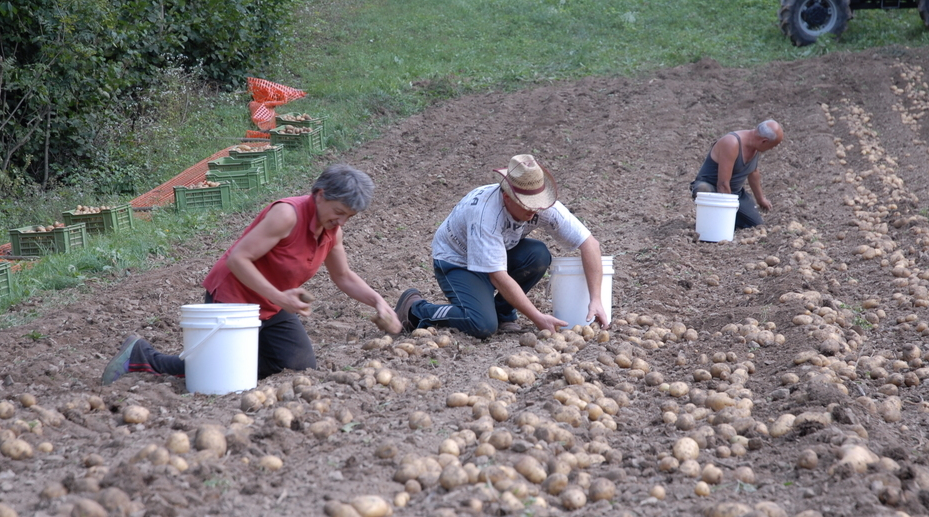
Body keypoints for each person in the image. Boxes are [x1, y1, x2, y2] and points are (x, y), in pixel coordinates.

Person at [102, 164, 401, 385]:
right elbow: (238, 259)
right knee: (218, 378)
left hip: (272, 306)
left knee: (298, 366)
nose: (342, 221)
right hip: (235, 299)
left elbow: (344, 276)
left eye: (349, 216)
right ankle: (140, 356)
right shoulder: (287, 215)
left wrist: (377, 301)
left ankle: (231, 363)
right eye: (339, 211)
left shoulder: (331, 231)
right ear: (320, 195)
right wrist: (279, 296)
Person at [394, 154, 609, 339]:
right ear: (507, 196)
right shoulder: (485, 214)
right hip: (457, 261)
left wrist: (596, 299)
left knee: (538, 255)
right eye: (527, 206)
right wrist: (537, 318)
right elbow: (497, 275)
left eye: (537, 204)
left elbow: (589, 244)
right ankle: (415, 309)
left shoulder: (542, 206)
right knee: (481, 324)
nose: (534, 211)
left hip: (497, 253)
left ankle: (502, 313)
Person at [690, 120, 784, 229]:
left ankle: (727, 219)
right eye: (772, 146)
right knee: (703, 189)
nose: (771, 149)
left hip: (735, 193)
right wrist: (726, 215)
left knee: (756, 225)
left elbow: (753, 172)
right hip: (713, 189)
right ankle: (711, 220)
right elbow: (723, 184)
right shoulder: (732, 143)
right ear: (764, 141)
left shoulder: (755, 145)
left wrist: (760, 199)